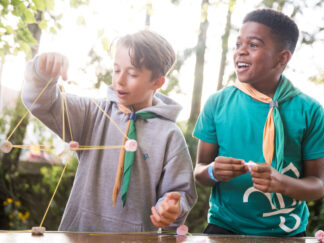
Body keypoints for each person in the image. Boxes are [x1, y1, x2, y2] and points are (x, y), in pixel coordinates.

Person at [21, 30, 197, 232]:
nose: (120, 80)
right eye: (116, 70)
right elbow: (42, 103)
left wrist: (172, 207)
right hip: (80, 235)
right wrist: (40, 72)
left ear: (157, 82)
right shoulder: (92, 114)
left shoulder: (170, 135)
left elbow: (181, 193)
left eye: (132, 74)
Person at [193, 8, 324, 236]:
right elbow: (199, 172)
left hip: (287, 232)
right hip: (225, 228)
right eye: (238, 44)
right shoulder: (217, 103)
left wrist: (282, 183)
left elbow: (317, 186)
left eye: (253, 45)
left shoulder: (310, 111)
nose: (241, 52)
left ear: (282, 58)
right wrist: (212, 171)